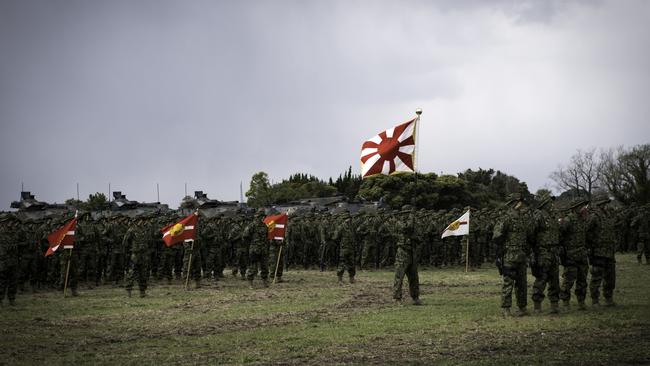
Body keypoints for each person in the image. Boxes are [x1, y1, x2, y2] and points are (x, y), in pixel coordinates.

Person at [493, 193, 531, 317]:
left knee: (522, 283)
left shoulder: (523, 218)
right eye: (519, 201)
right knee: (508, 282)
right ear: (513, 203)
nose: (521, 204)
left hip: (521, 254)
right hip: (509, 255)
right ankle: (506, 309)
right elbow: (497, 236)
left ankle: (522, 307)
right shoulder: (505, 218)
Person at [531, 197, 561, 314]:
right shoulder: (539, 216)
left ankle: (554, 304)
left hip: (554, 251)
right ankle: (537, 305)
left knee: (554, 279)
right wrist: (536, 248)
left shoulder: (553, 217)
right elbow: (531, 233)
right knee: (541, 278)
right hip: (543, 251)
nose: (552, 205)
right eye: (550, 203)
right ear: (544, 204)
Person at [559, 198, 590, 310]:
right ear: (575, 208)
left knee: (582, 279)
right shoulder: (568, 220)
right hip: (571, 254)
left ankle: (581, 301)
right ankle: (565, 302)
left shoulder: (583, 219)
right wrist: (563, 251)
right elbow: (560, 235)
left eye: (583, 205)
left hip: (582, 254)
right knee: (568, 279)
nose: (583, 208)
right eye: (581, 206)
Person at [587, 195, 617, 306]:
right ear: (599, 204)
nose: (606, 205)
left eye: (606, 203)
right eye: (604, 203)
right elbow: (587, 231)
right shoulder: (594, 216)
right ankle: (595, 300)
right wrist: (593, 243)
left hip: (609, 250)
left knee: (610, 276)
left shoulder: (608, 215)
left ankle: (608, 297)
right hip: (598, 251)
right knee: (596, 276)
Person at [392, 205, 422, 305]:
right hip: (402, 252)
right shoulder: (399, 222)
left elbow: (419, 235)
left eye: (410, 214)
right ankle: (397, 298)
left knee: (414, 277)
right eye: (408, 214)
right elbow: (407, 228)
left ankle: (415, 297)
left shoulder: (414, 223)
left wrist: (417, 239)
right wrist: (412, 217)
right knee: (399, 276)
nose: (409, 216)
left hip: (412, 252)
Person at [244, 209, 271, 288]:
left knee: (264, 266)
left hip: (263, 249)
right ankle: (250, 282)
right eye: (261, 216)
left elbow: (267, 237)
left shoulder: (265, 226)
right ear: (258, 217)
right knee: (253, 267)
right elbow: (245, 236)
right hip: (254, 249)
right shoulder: (252, 225)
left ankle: (265, 281)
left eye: (263, 217)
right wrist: (252, 244)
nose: (262, 218)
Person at [333, 210, 356, 285]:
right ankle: (340, 279)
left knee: (351, 263)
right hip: (344, 248)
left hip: (351, 248)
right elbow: (335, 237)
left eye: (349, 218)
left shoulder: (351, 226)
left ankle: (351, 278)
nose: (349, 219)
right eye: (347, 218)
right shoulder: (341, 227)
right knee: (342, 264)